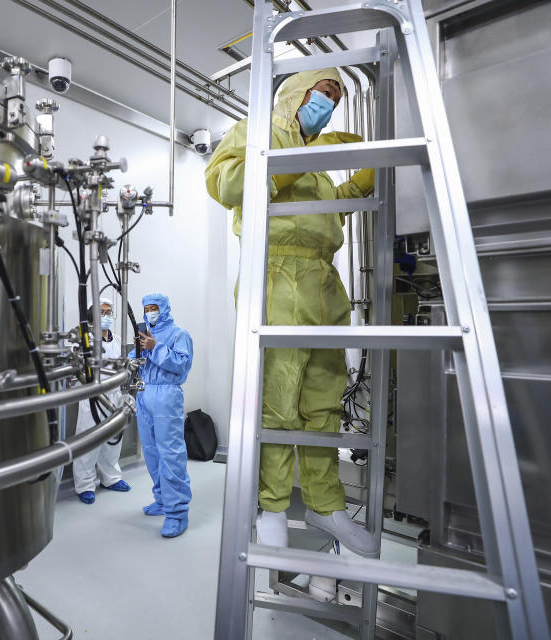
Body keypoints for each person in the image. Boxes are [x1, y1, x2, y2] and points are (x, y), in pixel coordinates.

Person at [205, 67, 378, 597]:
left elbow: (320, 218)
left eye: (336, 97)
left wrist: (354, 184)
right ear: (297, 93)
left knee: (322, 401)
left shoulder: (320, 161)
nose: (328, 103)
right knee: (276, 405)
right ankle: (273, 512)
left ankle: (326, 507)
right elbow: (224, 182)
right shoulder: (258, 131)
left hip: (325, 283)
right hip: (276, 278)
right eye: (323, 92)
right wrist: (294, 162)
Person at [130, 293, 194, 538]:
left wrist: (155, 348)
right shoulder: (145, 334)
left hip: (167, 395)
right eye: (146, 308)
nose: (150, 312)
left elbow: (181, 364)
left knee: (171, 453)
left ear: (165, 308)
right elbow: (140, 362)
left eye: (154, 307)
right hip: (144, 393)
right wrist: (135, 355)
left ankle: (177, 513)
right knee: (151, 451)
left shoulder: (179, 334)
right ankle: (162, 500)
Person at [73, 298, 131, 504]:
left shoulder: (117, 340)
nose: (106, 316)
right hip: (93, 397)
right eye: (102, 313)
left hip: (115, 395)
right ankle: (85, 485)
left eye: (109, 312)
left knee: (113, 440)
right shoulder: (84, 341)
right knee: (89, 442)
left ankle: (111, 477)